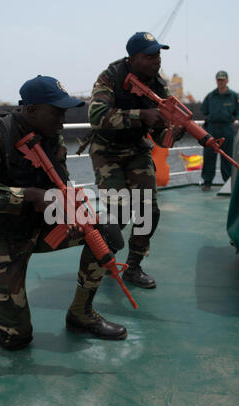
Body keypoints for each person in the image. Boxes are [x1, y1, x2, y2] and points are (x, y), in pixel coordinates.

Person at [0, 75, 127, 350]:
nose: (62, 121)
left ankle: (81, 313)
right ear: (31, 109)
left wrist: (70, 213)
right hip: (0, 236)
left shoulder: (51, 138)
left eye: (64, 113)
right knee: (15, 337)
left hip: (39, 226)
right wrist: (29, 196)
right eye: (56, 112)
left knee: (105, 232)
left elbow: (60, 183)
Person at [86, 32, 184, 289]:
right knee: (118, 211)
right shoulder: (111, 76)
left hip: (137, 149)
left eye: (158, 55)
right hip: (107, 150)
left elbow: (160, 137)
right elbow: (97, 116)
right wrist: (141, 115)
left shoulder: (159, 86)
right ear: (133, 58)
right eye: (149, 56)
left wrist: (173, 133)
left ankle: (134, 267)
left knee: (148, 211)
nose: (156, 61)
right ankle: (103, 259)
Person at [201, 71, 239, 191]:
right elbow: (204, 110)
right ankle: (207, 182)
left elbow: (237, 113)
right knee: (209, 156)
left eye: (222, 80)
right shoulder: (210, 96)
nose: (220, 82)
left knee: (227, 157)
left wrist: (228, 119)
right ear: (216, 81)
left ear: (227, 80)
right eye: (218, 80)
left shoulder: (233, 96)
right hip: (211, 129)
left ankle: (228, 183)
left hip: (227, 129)